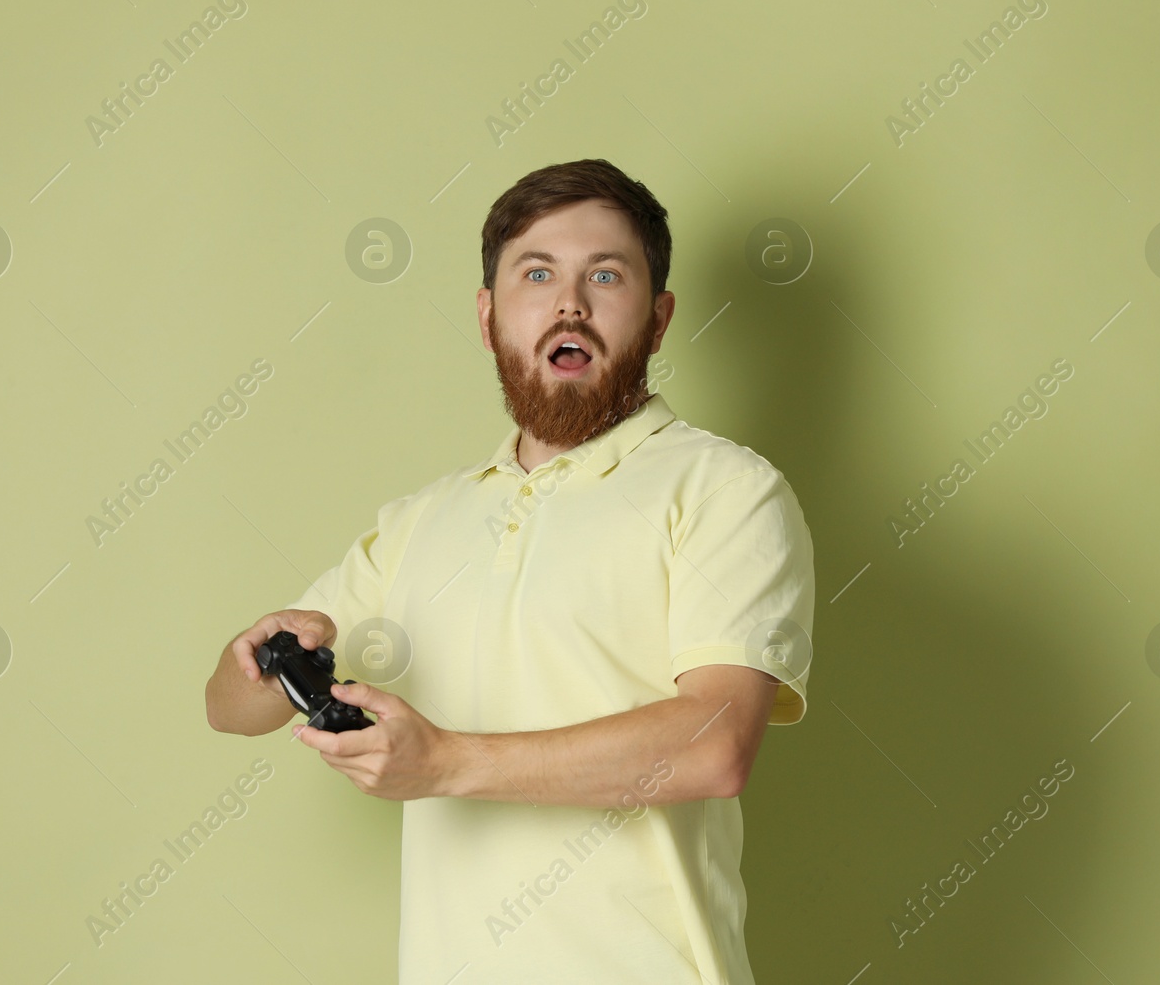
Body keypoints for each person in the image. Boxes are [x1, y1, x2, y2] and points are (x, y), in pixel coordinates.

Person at [204, 157, 816, 984]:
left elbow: (716, 744)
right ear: (490, 315)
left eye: (606, 274)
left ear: (660, 317)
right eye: (538, 273)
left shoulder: (726, 489)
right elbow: (234, 710)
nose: (570, 301)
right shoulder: (424, 519)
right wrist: (266, 650)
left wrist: (449, 761)